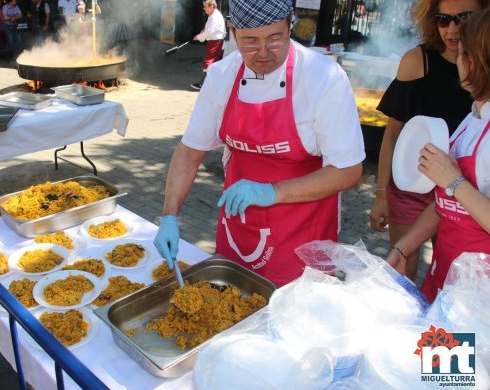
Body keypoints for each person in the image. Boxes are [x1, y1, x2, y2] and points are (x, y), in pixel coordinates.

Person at [154, 0, 365, 287]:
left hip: (304, 232)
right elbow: (190, 151)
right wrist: (169, 215)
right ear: (233, 31)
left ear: (290, 24)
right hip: (240, 228)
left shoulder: (322, 78)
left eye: (275, 38)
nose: (264, 53)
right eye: (250, 41)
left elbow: (348, 171)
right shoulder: (221, 76)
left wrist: (271, 192)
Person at [369, 0, 485, 282]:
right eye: (443, 19)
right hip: (446, 280)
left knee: (449, 329)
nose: (452, 29)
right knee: (422, 316)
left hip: (477, 301)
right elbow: (445, 202)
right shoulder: (473, 118)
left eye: (463, 19)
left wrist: (454, 182)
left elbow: (452, 191)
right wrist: (402, 248)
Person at [190, 0, 226, 91]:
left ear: (211, 7)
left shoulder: (215, 17)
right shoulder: (213, 14)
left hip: (216, 42)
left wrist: (198, 37)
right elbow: (208, 28)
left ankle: (204, 84)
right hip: (215, 41)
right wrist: (203, 30)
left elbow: (210, 31)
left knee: (209, 61)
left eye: (205, 6)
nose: (203, 8)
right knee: (215, 63)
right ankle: (213, 84)